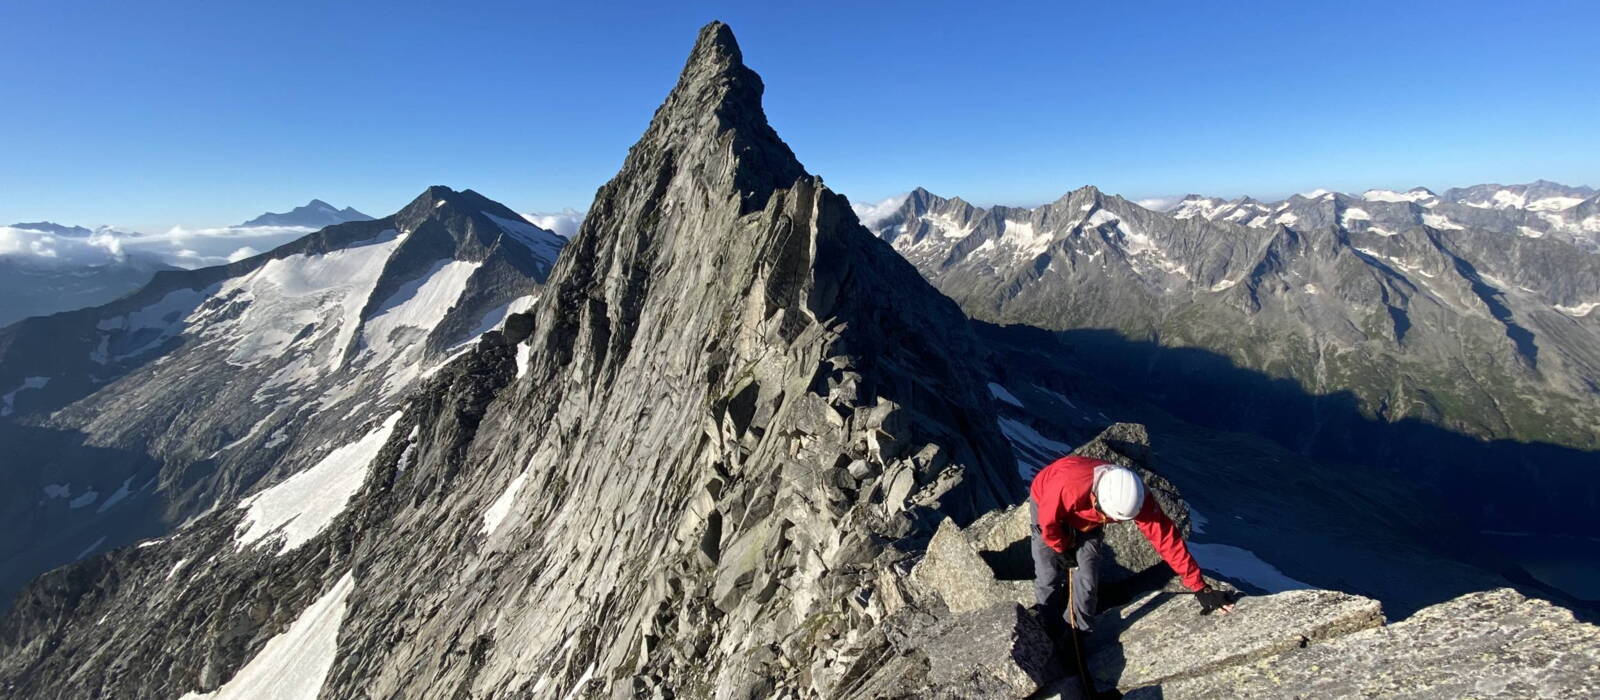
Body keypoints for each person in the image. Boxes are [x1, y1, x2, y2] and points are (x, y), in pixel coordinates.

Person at [1030, 454, 1234, 638]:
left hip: (1088, 520)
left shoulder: (1134, 496)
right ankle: (1050, 629)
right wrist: (1061, 547)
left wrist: (1200, 587)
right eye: (1108, 516)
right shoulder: (1066, 486)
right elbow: (1048, 523)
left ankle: (1078, 633)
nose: (1110, 520)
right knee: (1048, 574)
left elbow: (1166, 538)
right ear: (1098, 500)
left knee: (1088, 578)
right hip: (1048, 506)